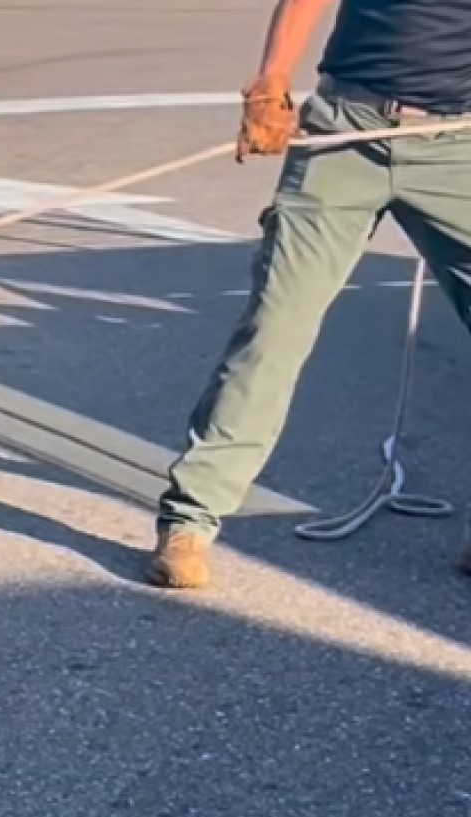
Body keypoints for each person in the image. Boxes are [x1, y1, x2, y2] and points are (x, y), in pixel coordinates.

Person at [146, 0, 471, 589]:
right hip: (345, 133)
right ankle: (190, 521)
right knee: (274, 332)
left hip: (456, 145)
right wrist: (271, 80)